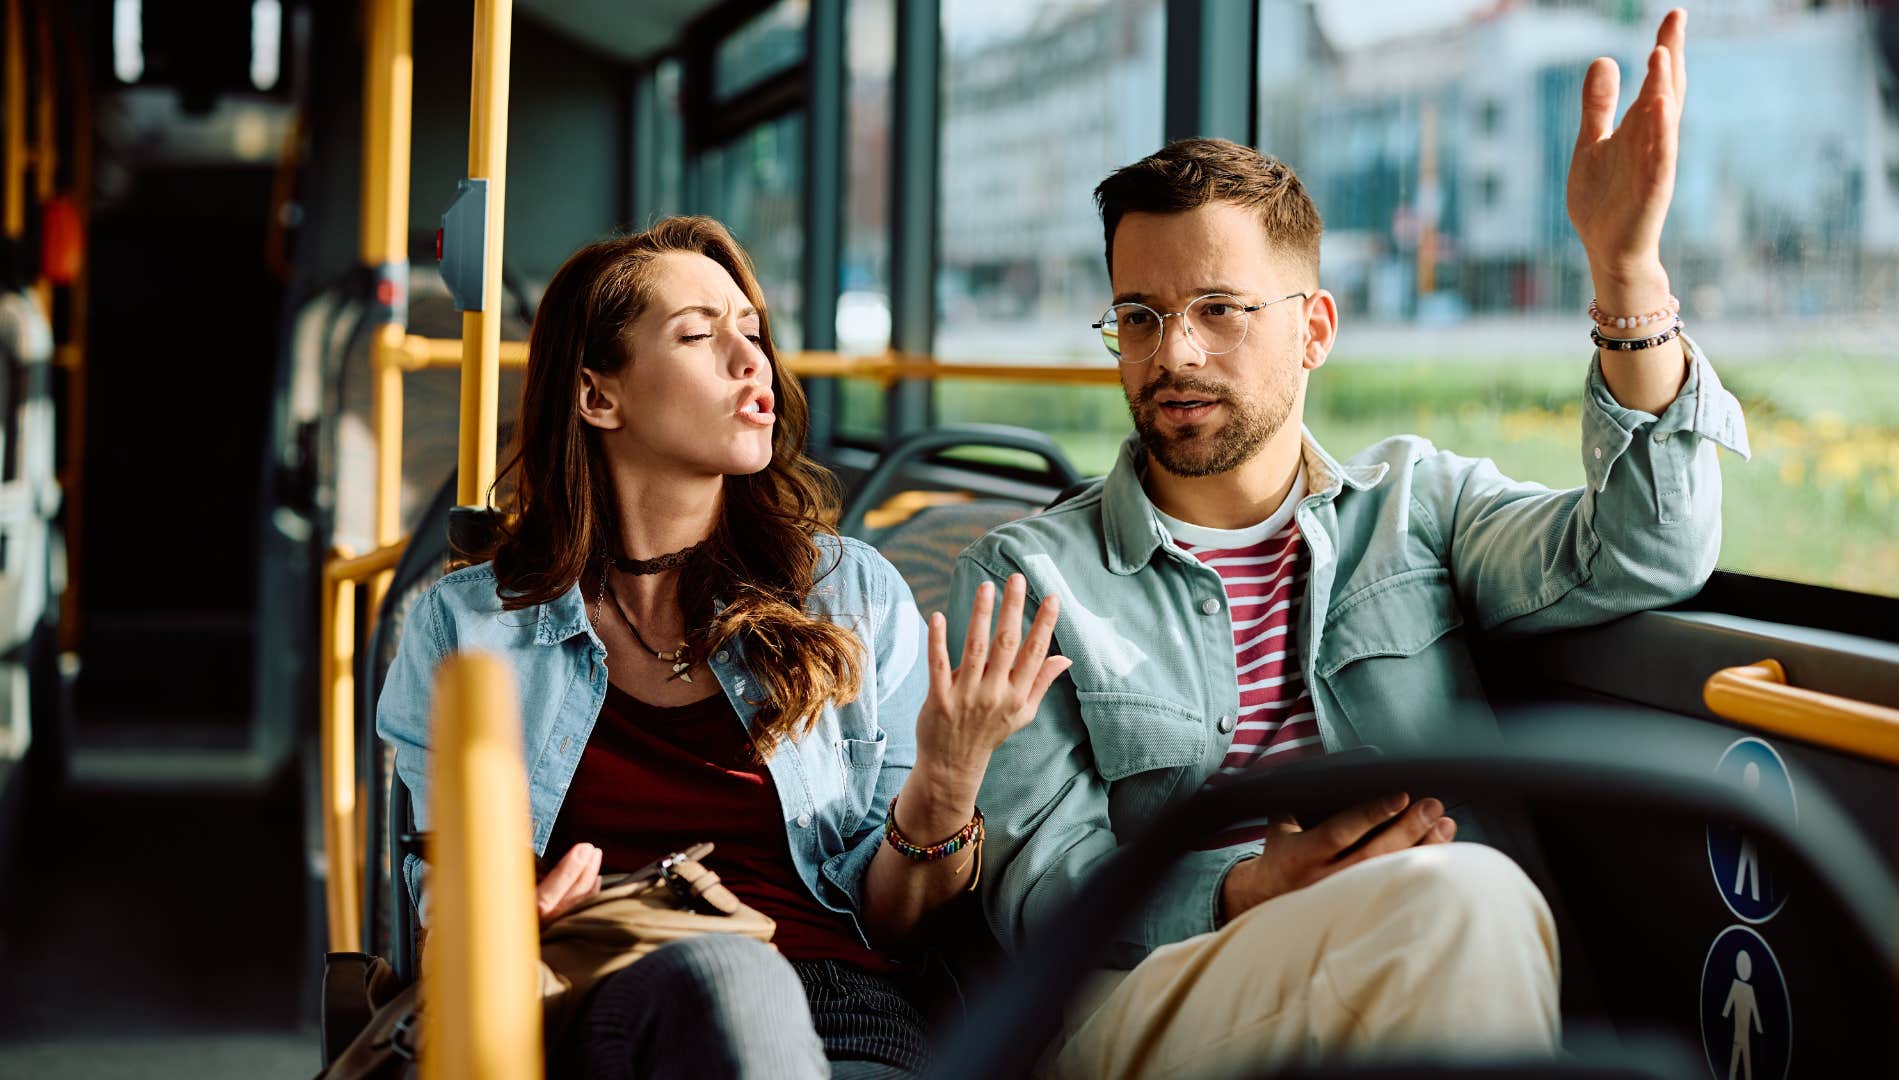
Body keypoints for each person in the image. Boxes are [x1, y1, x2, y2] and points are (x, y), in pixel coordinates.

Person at [957, 9, 1749, 1077]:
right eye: (1137, 316)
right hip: (1151, 1001)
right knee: (1466, 901)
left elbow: (1651, 550)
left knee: (1455, 912)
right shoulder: (1029, 579)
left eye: (1220, 310)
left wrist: (1626, 278)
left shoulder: (1418, 504)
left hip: (1426, 958)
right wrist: (1246, 887)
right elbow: (1037, 886)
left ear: (1315, 330)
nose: (1172, 352)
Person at [377, 216, 1070, 1079]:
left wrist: (948, 780)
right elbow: (453, 914)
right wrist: (503, 919)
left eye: (753, 331)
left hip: (839, 1008)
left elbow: (897, 924)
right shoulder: (468, 627)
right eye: (700, 336)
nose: (753, 363)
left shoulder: (851, 596)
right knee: (727, 971)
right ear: (598, 396)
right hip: (590, 996)